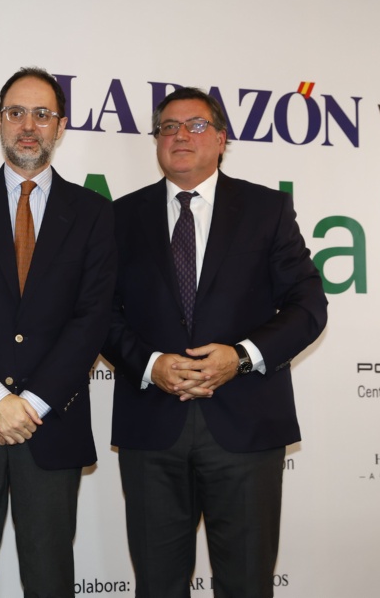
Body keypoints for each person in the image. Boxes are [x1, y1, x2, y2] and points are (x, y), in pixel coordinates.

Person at [102, 87, 328, 598]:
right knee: (157, 586)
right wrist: (151, 365)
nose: (180, 135)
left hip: (246, 425)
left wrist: (242, 357)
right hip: (151, 428)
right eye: (168, 127)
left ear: (222, 139)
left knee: (246, 584)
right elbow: (99, 314)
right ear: (157, 141)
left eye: (196, 125)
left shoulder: (266, 209)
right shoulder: (119, 217)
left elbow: (308, 306)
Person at [0, 67, 117, 598]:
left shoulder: (94, 214)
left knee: (50, 583)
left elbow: (92, 319)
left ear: (61, 126)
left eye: (42, 114)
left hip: (52, 426)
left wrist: (28, 405)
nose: (28, 126)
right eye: (16, 113)